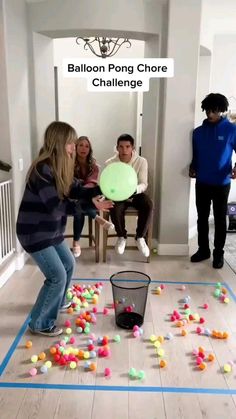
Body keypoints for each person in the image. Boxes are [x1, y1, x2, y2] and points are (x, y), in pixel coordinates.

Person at [16, 121, 113, 337]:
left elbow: (76, 188)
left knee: (69, 264)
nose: (74, 147)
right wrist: (91, 205)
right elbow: (57, 207)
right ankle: (40, 323)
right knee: (57, 276)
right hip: (34, 232)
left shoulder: (60, 166)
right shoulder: (42, 170)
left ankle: (56, 302)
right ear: (60, 143)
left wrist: (102, 188)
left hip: (51, 231)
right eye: (71, 143)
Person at [189, 93, 236, 269]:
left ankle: (218, 253)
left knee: (219, 219)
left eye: (214, 111)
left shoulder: (231, 130)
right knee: (201, 217)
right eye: (208, 110)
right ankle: (203, 250)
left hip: (222, 183)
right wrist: (193, 167)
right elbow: (196, 155)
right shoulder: (198, 133)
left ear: (222, 110)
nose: (210, 114)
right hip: (202, 182)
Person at [105, 133, 153, 257]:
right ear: (117, 148)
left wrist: (134, 190)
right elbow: (108, 183)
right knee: (114, 207)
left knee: (148, 204)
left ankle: (140, 237)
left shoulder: (141, 161)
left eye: (127, 146)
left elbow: (143, 183)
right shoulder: (110, 163)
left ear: (133, 148)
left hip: (135, 193)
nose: (124, 150)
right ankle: (121, 236)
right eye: (121, 147)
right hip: (118, 195)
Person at [72, 136, 114, 257]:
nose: (83, 148)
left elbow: (91, 183)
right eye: (80, 145)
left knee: (81, 204)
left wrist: (85, 190)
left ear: (90, 149)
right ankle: (97, 218)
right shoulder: (69, 162)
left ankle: (76, 242)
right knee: (78, 204)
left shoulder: (94, 165)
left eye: (87, 146)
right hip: (73, 194)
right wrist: (82, 189)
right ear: (75, 147)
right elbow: (71, 184)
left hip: (87, 194)